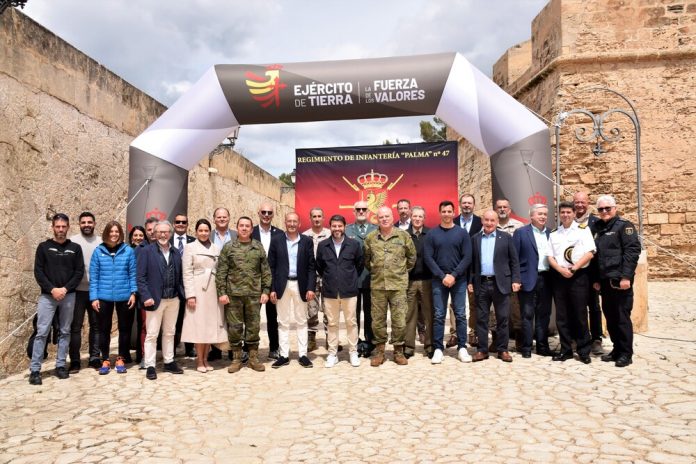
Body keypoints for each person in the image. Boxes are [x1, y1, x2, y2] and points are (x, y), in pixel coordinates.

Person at [29, 213, 84, 385]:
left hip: (68, 296)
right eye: (57, 226)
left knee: (65, 331)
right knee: (42, 332)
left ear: (68, 227)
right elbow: (39, 272)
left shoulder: (75, 248)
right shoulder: (43, 247)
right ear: (52, 227)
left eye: (63, 226)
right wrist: (52, 289)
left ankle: (60, 366)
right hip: (48, 296)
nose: (60, 229)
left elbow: (78, 272)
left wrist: (65, 289)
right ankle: (35, 370)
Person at [216, 216, 271, 373]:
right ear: (237, 228)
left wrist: (266, 290)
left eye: (247, 226)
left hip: (254, 295)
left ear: (251, 229)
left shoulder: (258, 247)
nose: (244, 228)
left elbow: (265, 271)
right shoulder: (229, 247)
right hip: (234, 295)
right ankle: (236, 359)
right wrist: (222, 292)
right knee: (235, 328)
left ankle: (253, 359)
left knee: (253, 327)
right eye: (242, 226)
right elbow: (221, 272)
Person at [363, 206, 416, 366]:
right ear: (377, 219)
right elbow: (367, 261)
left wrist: (400, 273)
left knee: (399, 320)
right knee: (377, 321)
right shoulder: (371, 238)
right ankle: (379, 351)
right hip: (378, 286)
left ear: (392, 217)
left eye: (387, 216)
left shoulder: (403, 236)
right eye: (381, 217)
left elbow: (411, 258)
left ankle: (398, 351)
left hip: (398, 286)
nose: (384, 219)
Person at [593, 195, 641, 368]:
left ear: (615, 208)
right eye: (601, 209)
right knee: (610, 317)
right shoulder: (598, 227)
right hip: (605, 281)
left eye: (608, 208)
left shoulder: (624, 226)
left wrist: (626, 276)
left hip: (620, 281)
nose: (604, 211)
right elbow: (597, 257)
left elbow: (632, 251)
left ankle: (626, 353)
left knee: (621, 317)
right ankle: (616, 349)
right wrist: (597, 279)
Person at [547, 201, 596, 364]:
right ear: (559, 214)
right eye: (563, 212)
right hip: (559, 277)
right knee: (562, 316)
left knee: (580, 314)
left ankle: (583, 351)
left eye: (569, 212)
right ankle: (566, 350)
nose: (566, 215)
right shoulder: (554, 233)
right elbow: (550, 256)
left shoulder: (583, 230)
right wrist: (561, 270)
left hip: (578, 276)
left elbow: (590, 253)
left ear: (574, 214)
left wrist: (574, 269)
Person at [468, 210, 521, 362]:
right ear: (482, 221)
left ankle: (502, 350)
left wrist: (516, 280)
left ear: (497, 222)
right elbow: (471, 263)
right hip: (481, 283)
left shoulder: (506, 237)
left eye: (492, 220)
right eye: (487, 220)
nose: (489, 223)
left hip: (501, 283)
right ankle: (482, 350)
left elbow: (514, 261)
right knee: (481, 319)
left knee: (503, 318)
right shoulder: (475, 239)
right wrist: (470, 282)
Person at [424, 201, 473, 364]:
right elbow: (428, 258)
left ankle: (462, 347)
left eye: (449, 211)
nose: (446, 214)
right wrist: (442, 275)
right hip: (439, 280)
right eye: (443, 211)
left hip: (458, 280)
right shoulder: (432, 234)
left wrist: (454, 275)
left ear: (454, 213)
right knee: (439, 315)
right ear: (440, 213)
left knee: (460, 314)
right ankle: (438, 348)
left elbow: (467, 257)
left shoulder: (462, 233)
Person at [137, 220, 185, 380]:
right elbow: (141, 277)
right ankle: (150, 365)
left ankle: (169, 361)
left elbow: (179, 276)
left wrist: (181, 295)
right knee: (152, 334)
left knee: (170, 332)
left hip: (173, 299)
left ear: (170, 234)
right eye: (160, 232)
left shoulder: (176, 252)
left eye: (166, 232)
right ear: (155, 234)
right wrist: (146, 296)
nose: (163, 235)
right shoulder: (146, 252)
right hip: (155, 299)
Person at [268, 212, 316, 368]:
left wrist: (310, 287)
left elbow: (311, 267)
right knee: (283, 321)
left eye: (295, 221)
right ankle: (283, 355)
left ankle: (303, 354)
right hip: (283, 285)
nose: (292, 224)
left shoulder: (307, 241)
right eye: (289, 221)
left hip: (300, 285)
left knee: (302, 320)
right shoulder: (276, 240)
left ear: (299, 223)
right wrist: (272, 288)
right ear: (285, 222)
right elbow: (271, 267)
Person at [315, 215, 363, 367]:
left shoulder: (354, 245)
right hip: (330, 291)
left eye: (339, 226)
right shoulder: (323, 246)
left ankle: (353, 352)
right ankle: (332, 353)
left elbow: (359, 265)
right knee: (332, 323)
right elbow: (320, 267)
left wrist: (347, 278)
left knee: (351, 322)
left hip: (349, 290)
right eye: (334, 226)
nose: (337, 229)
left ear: (344, 226)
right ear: (330, 227)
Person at [90, 221, 137, 374]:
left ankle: (121, 357)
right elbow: (94, 277)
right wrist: (94, 297)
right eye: (111, 231)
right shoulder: (98, 252)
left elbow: (132, 273)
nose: (114, 234)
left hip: (125, 296)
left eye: (117, 232)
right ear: (106, 233)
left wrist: (133, 293)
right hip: (103, 296)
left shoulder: (128, 251)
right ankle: (105, 359)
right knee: (104, 329)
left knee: (124, 329)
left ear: (120, 233)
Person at [181, 219, 228, 373]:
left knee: (209, 326)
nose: (203, 233)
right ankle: (199, 360)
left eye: (206, 230)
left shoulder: (215, 248)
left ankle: (206, 359)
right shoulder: (190, 248)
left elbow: (220, 271)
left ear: (210, 231)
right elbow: (186, 272)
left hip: (213, 289)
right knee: (199, 325)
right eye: (200, 230)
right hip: (198, 288)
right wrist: (190, 295)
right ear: (196, 232)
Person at [512, 204, 553, 358]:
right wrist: (516, 279)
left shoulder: (552, 233)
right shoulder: (521, 233)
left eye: (545, 214)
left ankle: (543, 347)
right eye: (540, 214)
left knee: (544, 314)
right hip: (527, 279)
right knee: (527, 314)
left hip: (547, 279)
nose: (543, 217)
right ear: (532, 216)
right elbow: (514, 258)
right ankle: (526, 347)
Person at [69, 211, 101, 372]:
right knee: (75, 327)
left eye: (89, 222)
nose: (87, 225)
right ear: (79, 224)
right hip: (76, 291)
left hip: (96, 292)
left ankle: (95, 357)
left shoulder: (101, 242)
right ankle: (75, 360)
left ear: (94, 224)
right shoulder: (72, 241)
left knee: (96, 326)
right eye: (83, 222)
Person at [345, 200, 377, 357]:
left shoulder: (376, 229)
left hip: (372, 279)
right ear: (354, 212)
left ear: (369, 211)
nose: (361, 211)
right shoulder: (347, 230)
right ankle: (355, 342)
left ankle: (370, 342)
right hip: (353, 278)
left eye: (364, 209)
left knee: (371, 313)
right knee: (353, 313)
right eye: (358, 209)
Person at [252, 202, 284, 360]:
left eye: (269, 212)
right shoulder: (250, 232)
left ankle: (274, 348)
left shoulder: (280, 234)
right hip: (252, 282)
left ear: (273, 214)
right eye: (263, 212)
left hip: (272, 281)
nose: (266, 215)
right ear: (258, 212)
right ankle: (250, 349)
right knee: (252, 318)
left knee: (273, 317)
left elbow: (281, 261)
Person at [574, 191, 604, 355]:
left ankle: (596, 338)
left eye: (582, 202)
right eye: (576, 202)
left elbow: (599, 251)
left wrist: (598, 276)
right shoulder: (569, 221)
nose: (579, 205)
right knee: (576, 307)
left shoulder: (596, 222)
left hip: (592, 272)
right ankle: (578, 337)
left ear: (588, 203)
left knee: (593, 306)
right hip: (575, 272)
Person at [451, 193, 482, 348]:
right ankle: (454, 333)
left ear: (473, 205)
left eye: (469, 203)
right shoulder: (453, 222)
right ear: (460, 205)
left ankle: (473, 332)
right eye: (464, 203)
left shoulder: (480, 222)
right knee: (454, 304)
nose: (467, 205)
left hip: (474, 267)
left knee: (474, 301)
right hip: (456, 266)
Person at [208, 207, 238, 362]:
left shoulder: (236, 235)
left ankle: (233, 349)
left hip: (233, 280)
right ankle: (216, 349)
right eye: (218, 217)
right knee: (216, 315)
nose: (221, 219)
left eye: (224, 217)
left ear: (229, 218)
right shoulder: (208, 235)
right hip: (213, 279)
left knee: (233, 315)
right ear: (214, 219)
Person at [406, 206, 433, 358]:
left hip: (427, 281)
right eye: (415, 216)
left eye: (420, 216)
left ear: (424, 218)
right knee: (409, 315)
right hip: (409, 281)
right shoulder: (404, 235)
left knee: (429, 315)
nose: (417, 219)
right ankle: (409, 347)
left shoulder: (430, 234)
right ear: (411, 217)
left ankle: (429, 346)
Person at [302, 207, 330, 352]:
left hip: (327, 277)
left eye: (319, 216)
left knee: (329, 309)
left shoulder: (330, 234)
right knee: (311, 309)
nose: (317, 219)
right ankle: (311, 338)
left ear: (323, 218)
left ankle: (329, 339)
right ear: (310, 218)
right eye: (314, 216)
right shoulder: (304, 236)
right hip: (311, 278)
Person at [171, 213, 196, 359]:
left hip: (189, 284)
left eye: (184, 222)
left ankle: (189, 348)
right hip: (173, 285)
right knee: (173, 318)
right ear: (174, 224)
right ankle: (172, 348)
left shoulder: (193, 241)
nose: (181, 224)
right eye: (178, 222)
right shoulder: (167, 241)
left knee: (189, 316)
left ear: (187, 224)